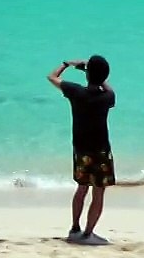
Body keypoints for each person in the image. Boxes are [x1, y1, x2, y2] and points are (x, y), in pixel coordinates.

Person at [48, 55, 115, 245]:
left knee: (81, 188)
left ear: (88, 75)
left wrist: (66, 65)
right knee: (98, 191)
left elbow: (52, 77)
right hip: (101, 150)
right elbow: (109, 89)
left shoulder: (75, 92)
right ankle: (88, 234)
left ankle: (74, 228)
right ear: (104, 76)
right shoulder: (107, 96)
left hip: (81, 149)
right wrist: (92, 73)